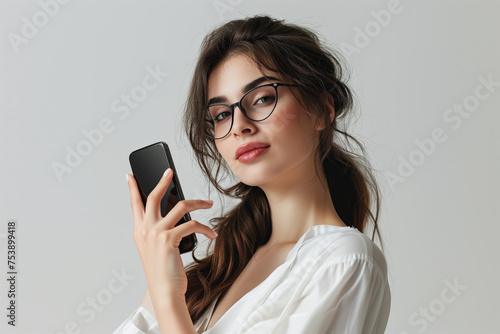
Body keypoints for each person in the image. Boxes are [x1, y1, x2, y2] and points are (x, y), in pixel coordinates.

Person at [114, 14, 391, 334]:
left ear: (321, 110)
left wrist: (165, 297)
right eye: (220, 114)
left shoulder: (346, 261)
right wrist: (160, 280)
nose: (239, 126)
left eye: (262, 98)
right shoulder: (209, 274)